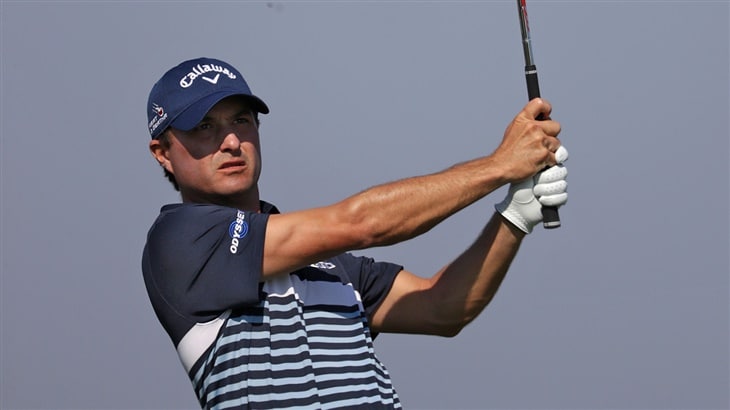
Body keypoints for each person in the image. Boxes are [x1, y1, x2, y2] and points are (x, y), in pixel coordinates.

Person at [142, 57, 568, 409]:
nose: (232, 142)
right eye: (204, 127)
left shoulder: (330, 265)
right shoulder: (180, 241)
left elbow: (443, 307)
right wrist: (499, 165)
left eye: (241, 121)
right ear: (163, 153)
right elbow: (361, 224)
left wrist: (513, 217)